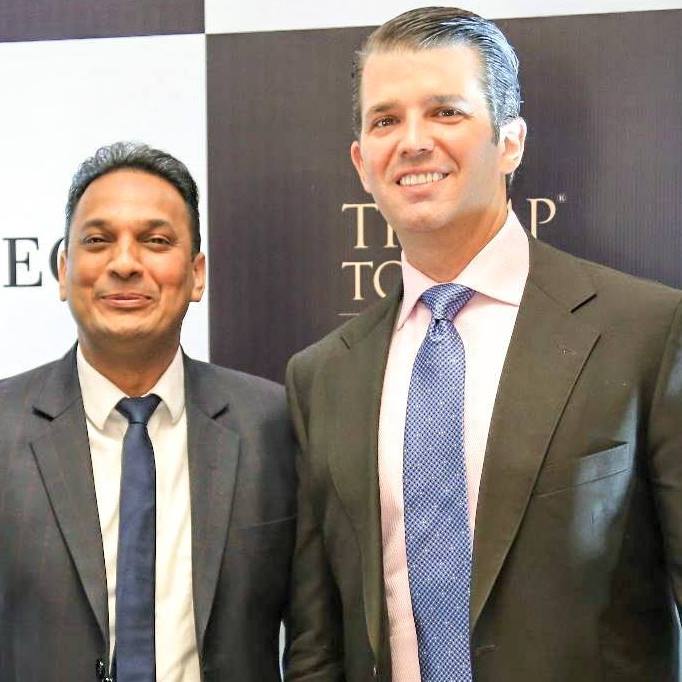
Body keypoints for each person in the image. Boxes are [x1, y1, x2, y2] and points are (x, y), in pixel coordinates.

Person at [284, 7, 682, 681]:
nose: (413, 142)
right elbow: (318, 643)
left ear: (511, 142)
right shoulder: (322, 376)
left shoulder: (645, 331)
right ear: (361, 163)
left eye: (446, 112)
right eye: (385, 120)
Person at [0, 142, 296, 681]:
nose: (124, 264)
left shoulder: (274, 424)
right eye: (97, 240)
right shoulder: (5, 426)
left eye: (155, 241)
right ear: (64, 270)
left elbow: (319, 636)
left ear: (197, 274)